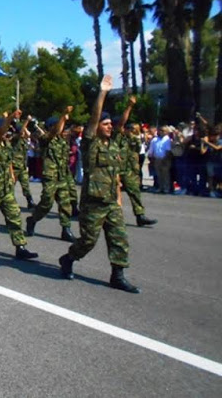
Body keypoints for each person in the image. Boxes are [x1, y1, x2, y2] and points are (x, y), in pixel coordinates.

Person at [58, 75, 140, 293]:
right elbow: (94, 119)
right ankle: (68, 258)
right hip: (93, 202)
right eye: (106, 124)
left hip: (111, 201)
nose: (110, 126)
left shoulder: (113, 146)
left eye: (110, 124)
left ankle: (118, 275)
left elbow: (116, 177)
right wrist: (102, 92)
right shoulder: (90, 143)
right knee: (88, 241)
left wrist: (119, 198)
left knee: (119, 239)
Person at [0, 111, 38, 260]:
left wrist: (11, 174)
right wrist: (10, 118)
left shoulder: (6, 144)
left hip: (6, 189)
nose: (9, 133)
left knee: (14, 216)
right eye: (7, 130)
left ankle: (20, 247)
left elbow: (8, 161)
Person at [25, 106, 76, 242]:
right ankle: (32, 219)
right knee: (47, 203)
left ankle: (66, 229)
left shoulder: (63, 141)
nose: (65, 131)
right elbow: (54, 132)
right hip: (50, 176)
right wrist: (63, 114)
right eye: (63, 127)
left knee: (65, 203)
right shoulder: (45, 138)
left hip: (62, 175)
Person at [113, 96, 157, 226]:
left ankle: (140, 215)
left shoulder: (129, 138)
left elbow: (138, 149)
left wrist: (134, 136)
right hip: (114, 169)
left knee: (135, 192)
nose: (126, 129)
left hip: (127, 170)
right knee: (111, 195)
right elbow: (121, 123)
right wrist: (129, 106)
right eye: (124, 127)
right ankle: (113, 216)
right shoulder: (115, 136)